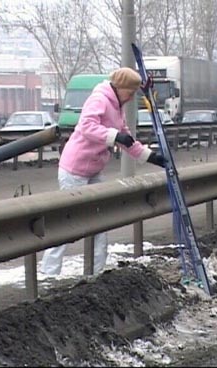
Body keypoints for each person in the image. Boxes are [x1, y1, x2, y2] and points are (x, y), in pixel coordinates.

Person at [40, 67, 166, 275]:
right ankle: (49, 272)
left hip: (93, 169)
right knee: (67, 223)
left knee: (100, 221)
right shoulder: (100, 98)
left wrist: (150, 156)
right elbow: (87, 127)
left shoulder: (117, 104)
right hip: (75, 169)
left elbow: (125, 136)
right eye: (131, 92)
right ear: (121, 87)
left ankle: (96, 272)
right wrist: (114, 136)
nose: (132, 96)